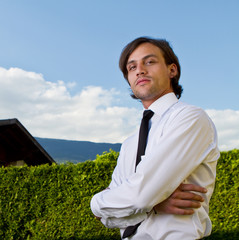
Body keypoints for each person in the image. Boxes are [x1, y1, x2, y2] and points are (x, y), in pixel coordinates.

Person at [90, 37, 220, 239]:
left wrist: (98, 203)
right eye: (131, 67)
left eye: (149, 62)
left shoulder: (190, 118)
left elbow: (138, 197)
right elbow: (110, 215)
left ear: (172, 70)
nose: (139, 70)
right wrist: (154, 203)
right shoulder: (129, 144)